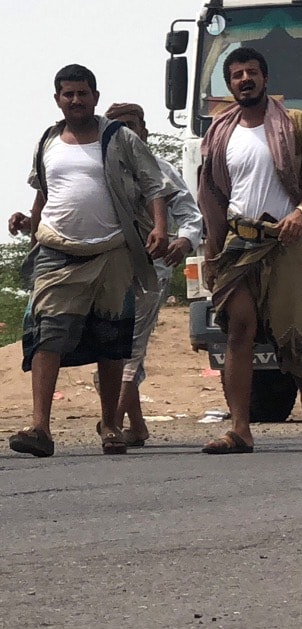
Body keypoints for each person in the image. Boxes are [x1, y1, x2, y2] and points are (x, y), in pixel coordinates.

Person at [8, 65, 171, 457]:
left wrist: (160, 228)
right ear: (57, 99)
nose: (75, 100)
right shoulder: (48, 140)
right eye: (68, 94)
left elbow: (154, 184)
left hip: (113, 251)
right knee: (48, 334)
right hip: (57, 251)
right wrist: (30, 221)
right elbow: (45, 191)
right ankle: (40, 428)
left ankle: (112, 426)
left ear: (95, 97)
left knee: (111, 339)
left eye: (82, 93)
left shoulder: (119, 137)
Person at [196, 46, 302, 454]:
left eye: (251, 72)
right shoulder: (220, 133)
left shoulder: (294, 124)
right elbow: (213, 198)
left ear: (265, 78)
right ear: (229, 84)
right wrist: (211, 253)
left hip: (287, 241)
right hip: (239, 244)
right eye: (237, 74)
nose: (245, 79)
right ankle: (240, 428)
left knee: (292, 333)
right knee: (238, 328)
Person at [98, 102, 203, 448]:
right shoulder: (98, 171)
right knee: (109, 351)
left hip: (148, 271)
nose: (126, 134)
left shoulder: (161, 171)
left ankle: (110, 424)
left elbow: (190, 215)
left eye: (132, 126)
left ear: (143, 130)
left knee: (130, 348)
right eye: (118, 127)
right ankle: (137, 426)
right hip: (104, 269)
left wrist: (184, 242)